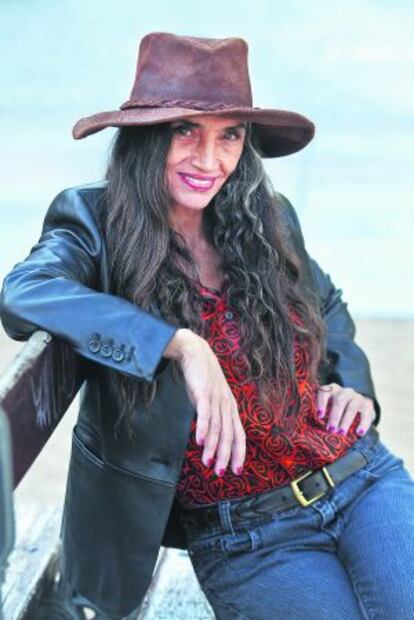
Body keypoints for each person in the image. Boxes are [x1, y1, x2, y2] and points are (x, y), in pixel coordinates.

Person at [1, 31, 413, 620]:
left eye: (230, 136)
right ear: (147, 136)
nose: (209, 160)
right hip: (248, 534)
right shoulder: (94, 221)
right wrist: (179, 344)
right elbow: (24, 293)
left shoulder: (262, 216)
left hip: (360, 478)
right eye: (185, 131)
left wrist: (354, 386)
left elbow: (326, 300)